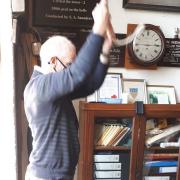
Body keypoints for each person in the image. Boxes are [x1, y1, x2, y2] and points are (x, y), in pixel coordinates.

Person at [24, 0, 115, 179]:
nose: (70, 69)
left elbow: (91, 84)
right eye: (68, 64)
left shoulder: (54, 89)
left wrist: (105, 50)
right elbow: (78, 74)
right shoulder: (41, 86)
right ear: (52, 61)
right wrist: (98, 27)